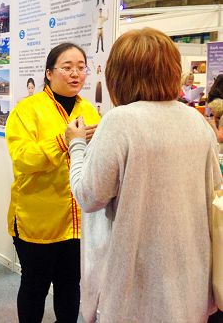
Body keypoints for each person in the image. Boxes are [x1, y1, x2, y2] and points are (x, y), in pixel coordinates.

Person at [65, 27, 221, 323]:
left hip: (137, 285)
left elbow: (88, 196)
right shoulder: (195, 120)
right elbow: (214, 189)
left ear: (119, 74)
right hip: (190, 278)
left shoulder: (120, 121)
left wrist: (76, 144)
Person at [5, 43, 100, 323]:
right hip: (38, 221)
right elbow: (22, 159)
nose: (76, 74)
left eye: (81, 67)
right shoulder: (27, 110)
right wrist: (62, 141)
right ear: (49, 73)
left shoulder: (90, 111)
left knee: (70, 286)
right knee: (35, 287)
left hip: (78, 221)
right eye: (67, 67)